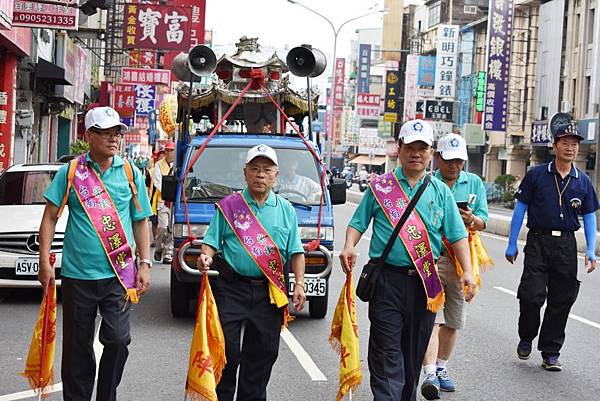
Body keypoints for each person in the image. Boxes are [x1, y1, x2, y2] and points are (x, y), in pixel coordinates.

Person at [339, 119, 477, 401]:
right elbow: (358, 222)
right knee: (385, 348)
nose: (416, 153)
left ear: (430, 153)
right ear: (398, 150)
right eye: (410, 147)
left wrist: (468, 272)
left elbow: (457, 235)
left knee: (413, 352)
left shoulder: (440, 192)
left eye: (422, 148)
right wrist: (349, 245)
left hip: (426, 282)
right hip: (386, 281)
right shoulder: (380, 187)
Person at [37, 106, 153, 401]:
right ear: (88, 136)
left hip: (119, 275)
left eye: (117, 133)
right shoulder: (72, 172)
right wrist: (44, 261)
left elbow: (140, 220)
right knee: (77, 347)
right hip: (78, 275)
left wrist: (145, 262)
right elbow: (50, 217)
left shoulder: (130, 173)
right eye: (105, 133)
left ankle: (106, 396)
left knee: (117, 339)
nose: (114, 139)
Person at [196, 144, 306, 401]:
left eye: (267, 170)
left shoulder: (286, 210)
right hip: (231, 289)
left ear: (275, 175)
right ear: (245, 173)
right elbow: (211, 242)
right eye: (254, 169)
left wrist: (299, 284)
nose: (260, 175)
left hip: (269, 292)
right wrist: (205, 256)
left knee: (262, 354)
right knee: (226, 352)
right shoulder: (230, 206)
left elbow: (296, 252)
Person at [505, 123, 599, 371]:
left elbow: (589, 216)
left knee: (562, 299)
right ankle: (526, 337)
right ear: (555, 145)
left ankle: (550, 351)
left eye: (574, 144)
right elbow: (520, 209)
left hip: (567, 246)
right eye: (565, 143)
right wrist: (512, 243)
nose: (570, 148)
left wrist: (591, 250)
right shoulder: (537, 174)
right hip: (538, 241)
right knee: (531, 294)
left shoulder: (584, 182)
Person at [420, 133, 489, 399]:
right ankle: (429, 372)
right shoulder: (427, 183)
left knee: (454, 319)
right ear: (437, 158)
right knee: (432, 316)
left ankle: (442, 367)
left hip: (462, 260)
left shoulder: (474, 183)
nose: (454, 166)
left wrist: (471, 219)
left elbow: (484, 219)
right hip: (433, 257)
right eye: (449, 160)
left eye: (459, 161)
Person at [152, 141, 175, 264]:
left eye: (171, 150)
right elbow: (157, 182)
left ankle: (168, 253)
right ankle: (159, 248)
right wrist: (168, 191)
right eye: (168, 150)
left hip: (174, 202)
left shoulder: (178, 165)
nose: (169, 153)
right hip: (163, 200)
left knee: (171, 229)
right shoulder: (158, 165)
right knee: (162, 227)